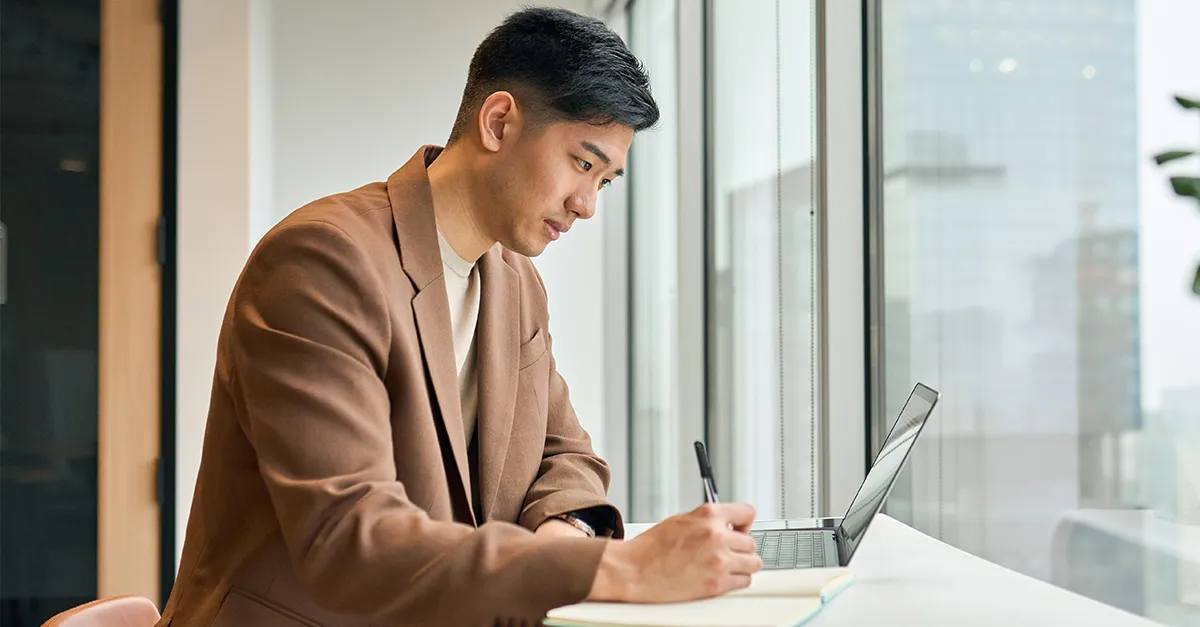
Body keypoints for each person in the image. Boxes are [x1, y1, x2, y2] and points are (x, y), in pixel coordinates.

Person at [157, 7, 761, 627]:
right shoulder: (322, 261)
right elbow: (347, 538)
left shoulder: (515, 282)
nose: (586, 206)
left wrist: (563, 535)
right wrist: (617, 570)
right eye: (583, 163)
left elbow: (567, 456)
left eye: (605, 182)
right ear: (499, 122)